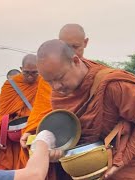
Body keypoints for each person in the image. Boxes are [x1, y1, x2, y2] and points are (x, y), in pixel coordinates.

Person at [36, 39, 135, 179]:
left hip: (132, 168)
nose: (56, 87)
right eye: (49, 82)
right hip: (90, 171)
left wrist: (121, 160)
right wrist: (56, 151)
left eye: (60, 78)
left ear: (76, 61)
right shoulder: (59, 95)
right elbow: (72, 137)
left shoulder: (115, 85)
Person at [19, 24, 89, 176]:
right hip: (58, 140)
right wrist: (31, 130)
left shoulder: (95, 75)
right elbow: (42, 109)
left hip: (85, 147)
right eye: (66, 47)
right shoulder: (49, 77)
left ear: (85, 43)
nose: (57, 86)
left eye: (75, 46)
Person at [0, 54, 40, 170]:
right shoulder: (10, 85)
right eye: (26, 72)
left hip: (37, 130)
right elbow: (2, 113)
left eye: (34, 72)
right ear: (21, 69)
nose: (30, 76)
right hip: (16, 133)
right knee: (16, 166)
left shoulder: (44, 82)